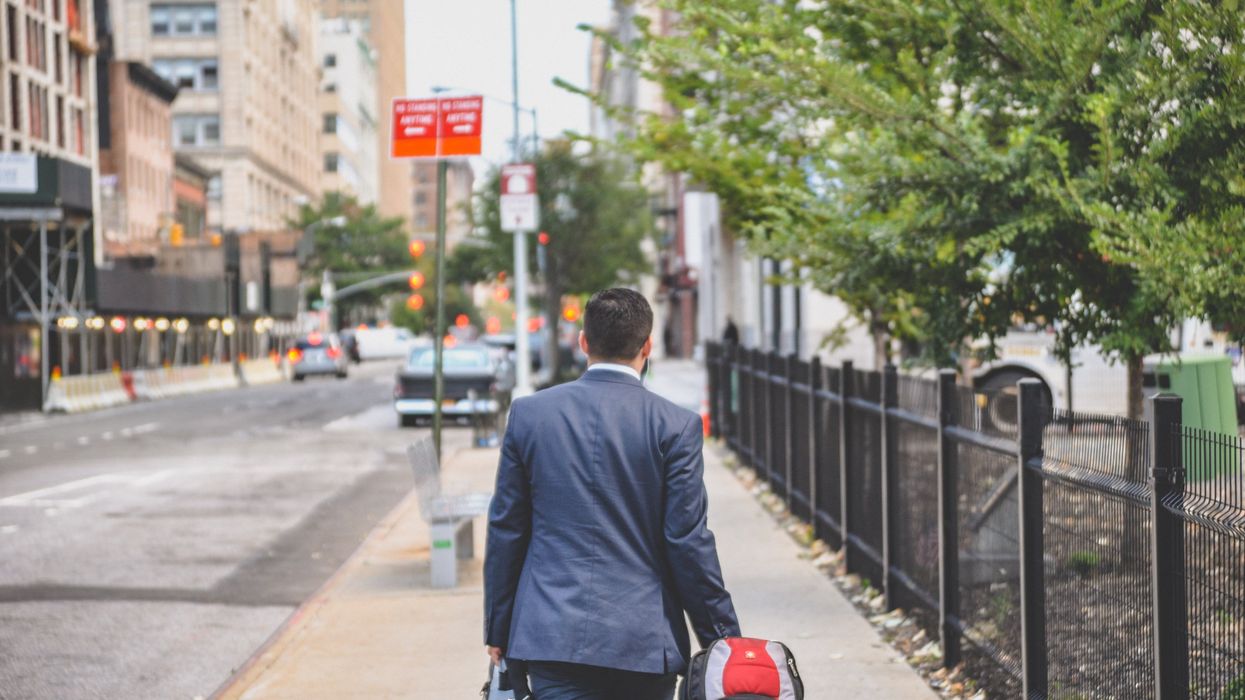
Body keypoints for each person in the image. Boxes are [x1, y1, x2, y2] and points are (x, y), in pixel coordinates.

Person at [484, 288, 740, 700]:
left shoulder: (531, 416)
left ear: (584, 342)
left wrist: (498, 627)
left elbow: (508, 529)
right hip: (642, 642)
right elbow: (687, 542)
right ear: (648, 346)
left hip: (553, 636)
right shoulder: (676, 426)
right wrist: (723, 636)